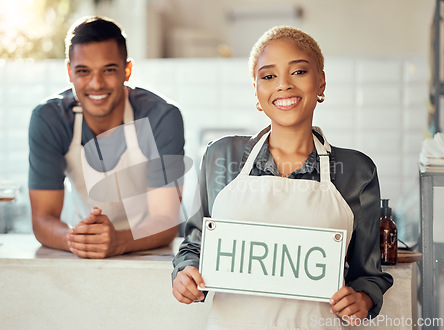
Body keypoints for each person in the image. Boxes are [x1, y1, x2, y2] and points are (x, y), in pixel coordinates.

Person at [172, 26, 393, 328]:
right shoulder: (220, 157)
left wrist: (362, 298)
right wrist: (185, 274)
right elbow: (195, 248)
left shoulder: (357, 171)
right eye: (268, 76)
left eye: (299, 72)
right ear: (256, 91)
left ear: (321, 82)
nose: (284, 85)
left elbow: (366, 275)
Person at [28, 16, 185, 258]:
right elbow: (42, 219)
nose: (96, 83)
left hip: (149, 252)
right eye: (83, 71)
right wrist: (75, 240)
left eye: (109, 70)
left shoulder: (161, 117)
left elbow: (165, 221)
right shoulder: (50, 119)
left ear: (127, 70)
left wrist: (119, 241)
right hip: (82, 252)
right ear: (69, 72)